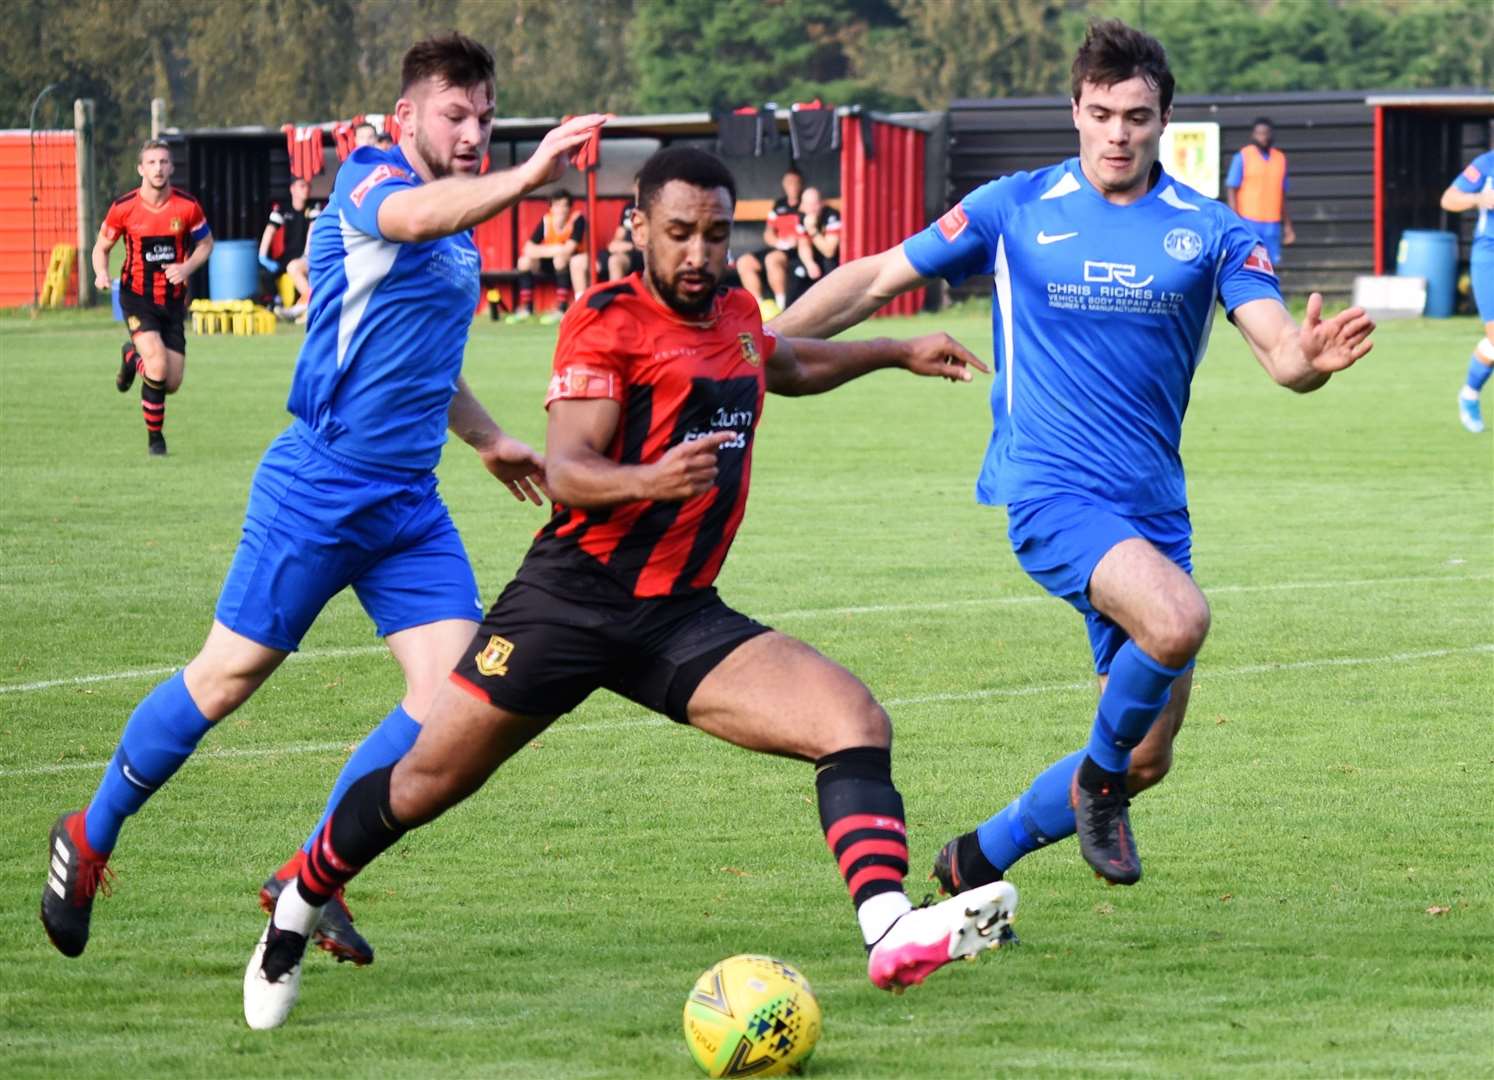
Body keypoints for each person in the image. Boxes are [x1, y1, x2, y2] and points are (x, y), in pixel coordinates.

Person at [243, 145, 1017, 1030]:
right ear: (639, 227)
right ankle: (296, 904)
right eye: (680, 233)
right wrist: (651, 480)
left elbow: (786, 365)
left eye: (717, 234)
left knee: (853, 723)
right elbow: (569, 471)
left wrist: (894, 349)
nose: (699, 253)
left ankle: (888, 932)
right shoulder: (602, 321)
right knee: (421, 783)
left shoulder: (732, 306)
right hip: (566, 605)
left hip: (679, 615)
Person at [40, 32, 608, 968]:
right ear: (407, 118)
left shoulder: (454, 219)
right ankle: (90, 833)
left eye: (487, 119)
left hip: (406, 503)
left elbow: (423, 355)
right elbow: (415, 218)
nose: (474, 134)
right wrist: (533, 173)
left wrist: (488, 436)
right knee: (223, 681)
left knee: (454, 697)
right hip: (320, 484)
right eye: (455, 116)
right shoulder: (368, 182)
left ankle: (311, 875)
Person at [771, 20, 1373, 896]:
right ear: (1076, 112)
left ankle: (977, 857)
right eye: (1101, 114)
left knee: (1150, 755)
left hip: (1153, 509)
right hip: (1049, 490)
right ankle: (1096, 786)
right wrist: (749, 342)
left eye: (1136, 115)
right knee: (1176, 622)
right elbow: (869, 279)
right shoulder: (1013, 207)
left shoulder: (1212, 230)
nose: (1118, 133)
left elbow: (1279, 350)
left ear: (1165, 118)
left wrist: (1307, 363)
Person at [91, 139, 214, 456]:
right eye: (152, 163)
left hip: (172, 302)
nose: (158, 168)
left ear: (171, 167)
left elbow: (206, 244)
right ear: (140, 169)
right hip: (137, 298)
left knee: (170, 382)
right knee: (157, 366)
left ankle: (132, 358)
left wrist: (186, 267)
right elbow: (100, 248)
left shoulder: (187, 206)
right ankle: (155, 441)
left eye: (163, 162)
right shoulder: (124, 207)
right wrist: (101, 273)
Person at [1440, 148, 1494, 433]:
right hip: (1490, 256)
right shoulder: (1486, 164)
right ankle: (1469, 395)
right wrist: (1478, 198)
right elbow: (1448, 199)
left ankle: (1469, 394)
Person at [506, 190, 588, 324]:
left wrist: (543, 251)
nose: (561, 209)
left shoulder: (577, 219)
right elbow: (528, 248)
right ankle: (527, 309)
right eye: (557, 205)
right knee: (524, 262)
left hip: (572, 263)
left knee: (560, 260)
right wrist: (556, 249)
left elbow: (569, 250)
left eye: (565, 205)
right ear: (551, 208)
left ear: (570, 207)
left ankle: (561, 309)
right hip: (549, 260)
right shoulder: (546, 221)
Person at [734, 166, 803, 318]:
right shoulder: (779, 205)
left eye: (794, 182)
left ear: (800, 184)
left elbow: (808, 232)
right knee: (744, 262)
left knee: (772, 259)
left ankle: (781, 308)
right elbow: (768, 233)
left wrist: (795, 240)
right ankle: (759, 308)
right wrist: (778, 242)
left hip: (797, 251)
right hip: (778, 247)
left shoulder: (805, 204)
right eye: (788, 182)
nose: (791, 186)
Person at [1224, 117, 1294, 265]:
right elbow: (1231, 188)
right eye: (1259, 133)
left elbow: (1282, 194)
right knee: (1248, 263)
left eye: (1266, 133)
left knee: (1271, 264)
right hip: (1248, 221)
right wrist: (1234, 220)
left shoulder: (1280, 158)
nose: (1263, 137)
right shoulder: (1242, 156)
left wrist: (1287, 225)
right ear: (1253, 135)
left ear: (1271, 134)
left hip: (1272, 223)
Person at [257, 176, 319, 316]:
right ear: (292, 189)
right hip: (288, 257)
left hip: (306, 257)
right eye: (302, 186)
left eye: (308, 186)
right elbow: (269, 231)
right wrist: (262, 256)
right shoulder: (283, 208)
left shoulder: (313, 208)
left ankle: (311, 304)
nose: (306, 190)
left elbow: (312, 231)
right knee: (264, 273)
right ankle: (276, 303)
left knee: (294, 267)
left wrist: (307, 255)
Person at [789, 186, 841, 301]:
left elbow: (829, 252)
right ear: (802, 205)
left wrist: (812, 230)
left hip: (834, 259)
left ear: (822, 203)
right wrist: (809, 263)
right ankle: (788, 309)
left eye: (815, 204)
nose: (811, 209)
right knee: (797, 270)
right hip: (815, 257)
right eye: (808, 204)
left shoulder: (832, 216)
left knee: (829, 265)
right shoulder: (802, 217)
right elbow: (803, 246)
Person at [604, 190, 642, 282]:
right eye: (636, 187)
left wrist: (631, 246)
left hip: (641, 252)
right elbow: (618, 236)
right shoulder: (629, 207)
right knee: (595, 263)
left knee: (615, 261)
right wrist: (614, 245)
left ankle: (616, 295)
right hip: (626, 251)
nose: (638, 190)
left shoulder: (651, 206)